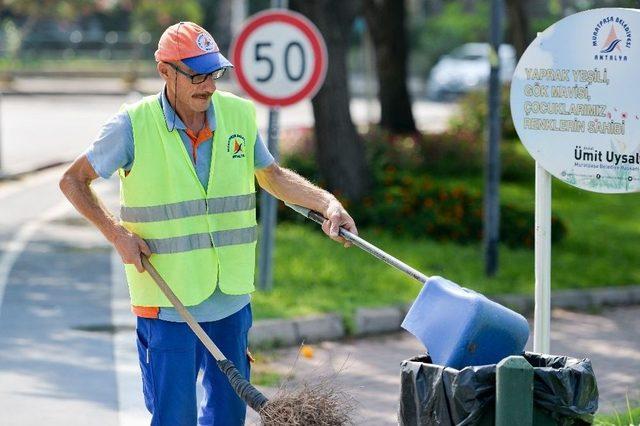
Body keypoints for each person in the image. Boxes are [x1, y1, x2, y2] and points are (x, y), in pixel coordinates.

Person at [59, 21, 357, 426]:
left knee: (227, 417)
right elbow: (73, 181)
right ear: (165, 71)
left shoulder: (237, 114)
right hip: (167, 303)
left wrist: (327, 203)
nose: (208, 85)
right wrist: (117, 234)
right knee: (174, 418)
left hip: (229, 301)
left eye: (213, 73)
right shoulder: (133, 126)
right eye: (196, 74)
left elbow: (271, 175)